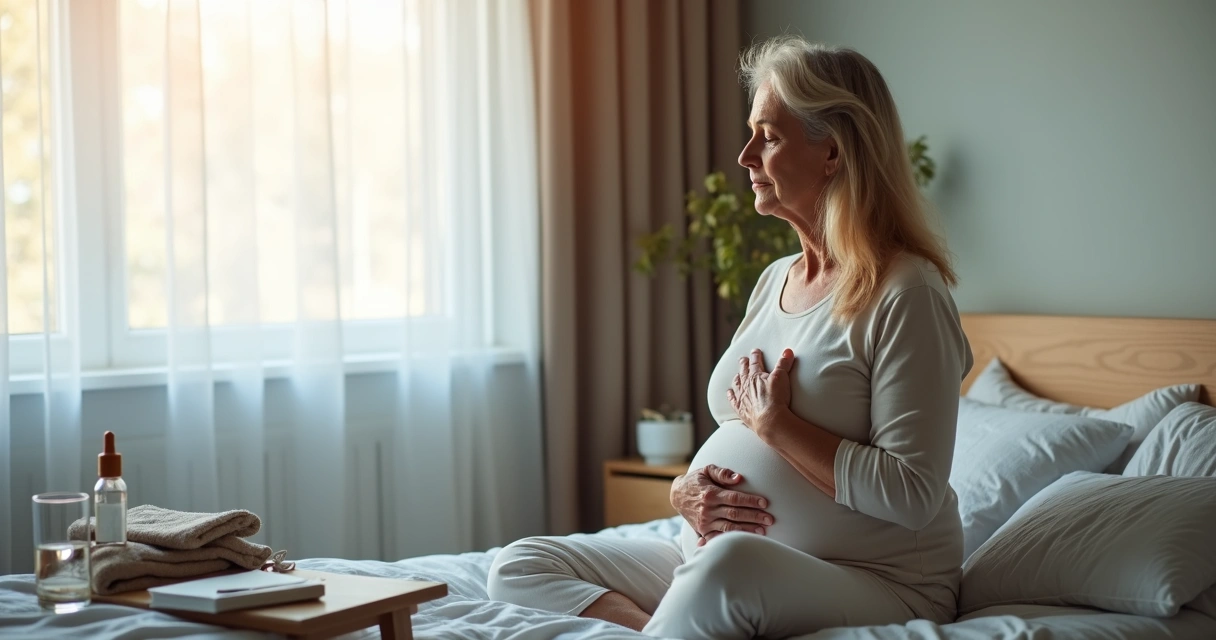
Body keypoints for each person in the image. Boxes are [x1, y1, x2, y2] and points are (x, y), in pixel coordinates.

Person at [488, 36, 972, 639]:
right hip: (718, 559)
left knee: (728, 567)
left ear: (833, 152)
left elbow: (913, 493)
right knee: (521, 564)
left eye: (768, 136)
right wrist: (682, 493)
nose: (744, 155)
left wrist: (779, 427)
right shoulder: (775, 280)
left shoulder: (908, 293)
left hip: (877, 579)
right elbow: (728, 435)